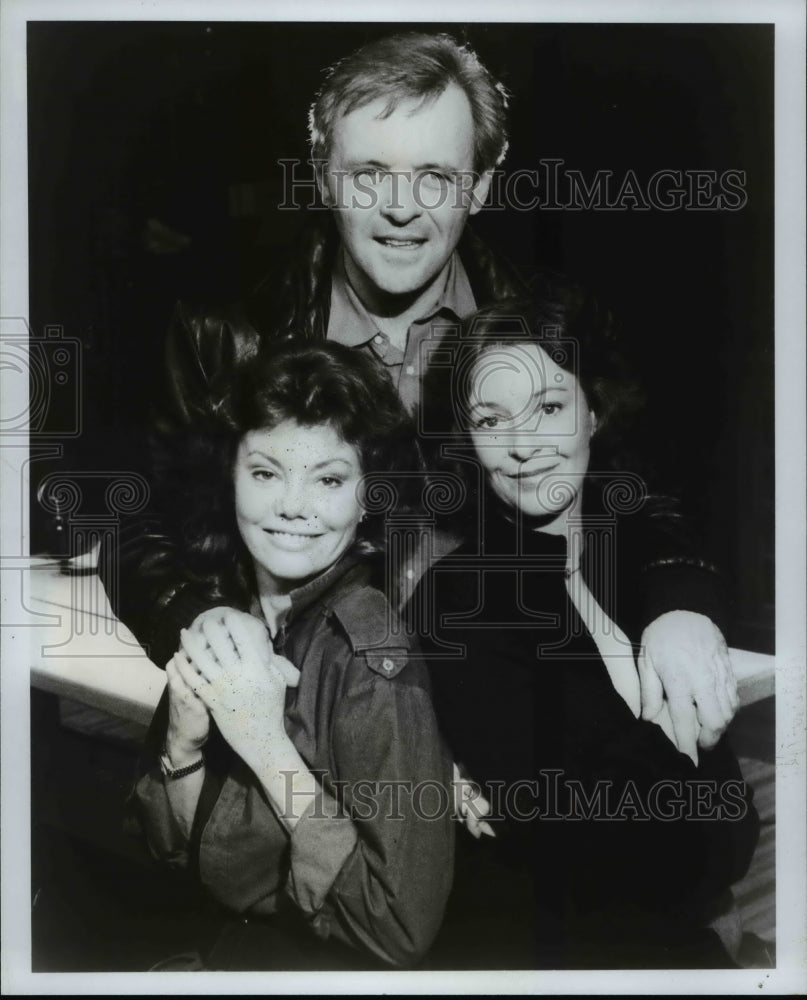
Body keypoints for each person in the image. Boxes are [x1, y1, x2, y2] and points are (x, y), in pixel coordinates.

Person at [105, 30, 736, 772]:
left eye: (435, 175)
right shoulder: (228, 330)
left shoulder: (545, 318)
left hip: (507, 732)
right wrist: (199, 617)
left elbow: (639, 492)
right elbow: (135, 527)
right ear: (321, 175)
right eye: (370, 172)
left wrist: (680, 603)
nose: (401, 208)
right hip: (303, 733)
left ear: (482, 182)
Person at [409, 291, 759, 969]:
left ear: (593, 412)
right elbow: (600, 850)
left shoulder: (638, 556)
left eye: (548, 407)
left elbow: (733, 838)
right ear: (468, 443)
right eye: (491, 420)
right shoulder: (459, 599)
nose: (522, 447)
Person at [128, 341, 454, 970]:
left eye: (329, 478)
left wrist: (267, 747)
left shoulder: (370, 657)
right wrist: (182, 748)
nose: (293, 506)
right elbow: (172, 853)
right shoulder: (230, 615)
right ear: (230, 477)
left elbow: (401, 928)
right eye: (266, 472)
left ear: (369, 499)